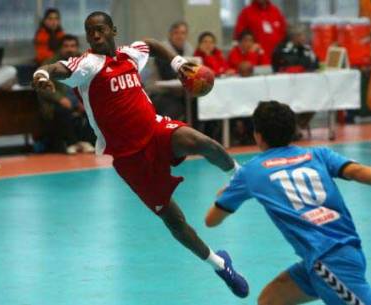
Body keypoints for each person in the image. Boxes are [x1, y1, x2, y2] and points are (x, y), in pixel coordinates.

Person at [32, 11, 249, 298]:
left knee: (201, 142)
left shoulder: (129, 55)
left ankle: (242, 177)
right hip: (128, 157)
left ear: (113, 30)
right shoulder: (87, 64)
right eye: (90, 31)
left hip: (156, 130)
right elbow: (55, 68)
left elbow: (151, 43)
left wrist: (179, 62)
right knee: (174, 221)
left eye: (100, 29)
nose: (95, 36)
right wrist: (42, 75)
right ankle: (220, 265)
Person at [205, 101, 371, 305]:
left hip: (329, 261)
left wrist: (229, 193)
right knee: (270, 300)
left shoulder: (252, 171)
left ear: (257, 135)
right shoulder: (318, 154)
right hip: (333, 255)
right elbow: (357, 171)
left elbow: (211, 220)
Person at [37, 34, 95, 154]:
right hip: (59, 102)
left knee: (92, 107)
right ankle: (72, 143)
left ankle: (86, 142)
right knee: (62, 110)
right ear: (60, 48)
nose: (70, 49)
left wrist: (84, 100)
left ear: (77, 47)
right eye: (66, 46)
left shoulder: (85, 62)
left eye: (73, 46)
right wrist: (60, 98)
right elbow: (41, 86)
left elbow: (92, 83)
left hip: (79, 99)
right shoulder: (50, 63)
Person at [272, 24, 320, 138]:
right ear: (294, 37)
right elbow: (285, 64)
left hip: (305, 86)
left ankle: (297, 126)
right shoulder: (282, 48)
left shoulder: (307, 49)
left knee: (316, 99)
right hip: (284, 86)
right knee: (286, 103)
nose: (304, 38)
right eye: (301, 36)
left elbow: (314, 64)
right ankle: (291, 128)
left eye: (304, 35)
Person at [153, 21, 194, 121]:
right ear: (170, 35)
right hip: (161, 93)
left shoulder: (189, 49)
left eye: (183, 33)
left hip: (182, 93)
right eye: (176, 33)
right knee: (177, 108)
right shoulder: (161, 50)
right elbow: (167, 75)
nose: (180, 36)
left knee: (199, 105)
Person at [234, 0, 287, 64]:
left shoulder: (276, 11)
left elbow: (283, 33)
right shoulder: (246, 13)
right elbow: (239, 36)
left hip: (277, 58)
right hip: (256, 59)